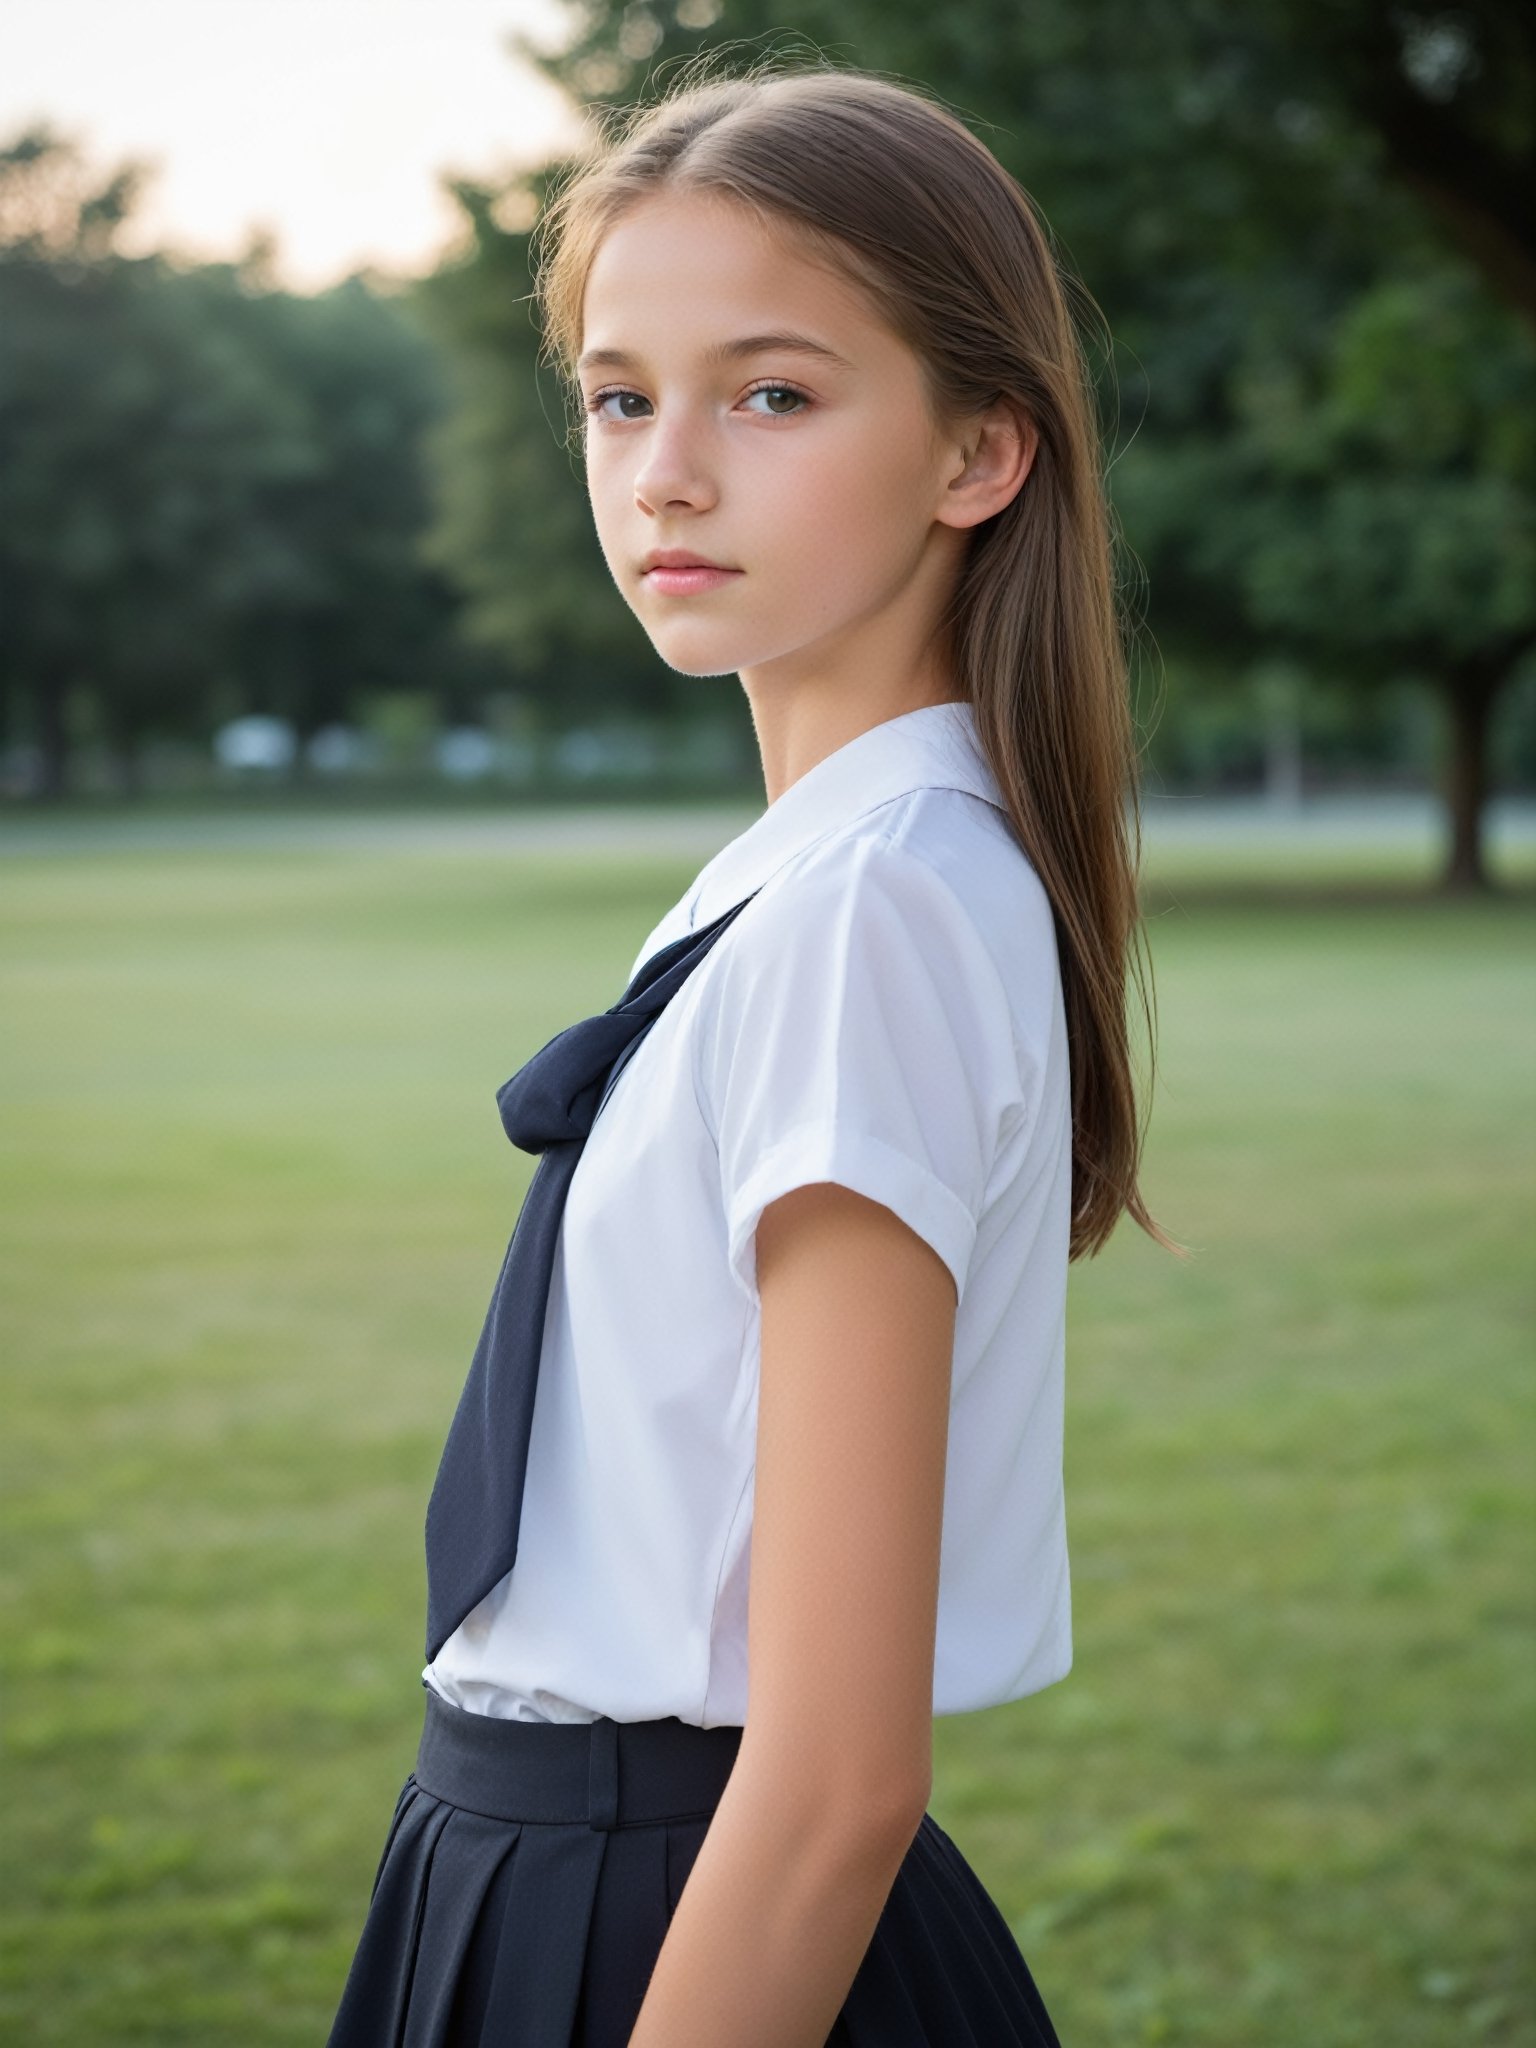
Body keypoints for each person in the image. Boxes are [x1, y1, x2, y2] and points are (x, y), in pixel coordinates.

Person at [326, 52, 1179, 2048]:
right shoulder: (820, 881)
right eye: (621, 396)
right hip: (566, 1867)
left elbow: (836, 1779)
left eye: (770, 392)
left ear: (981, 454)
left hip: (682, 1911)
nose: (665, 471)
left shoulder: (869, 911)